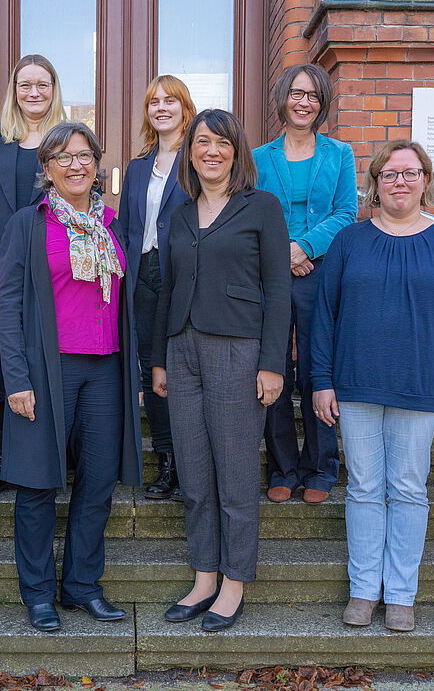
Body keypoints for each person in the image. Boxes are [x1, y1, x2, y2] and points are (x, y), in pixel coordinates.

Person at [310, 139, 434, 633]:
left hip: (420, 387)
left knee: (408, 489)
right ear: (374, 185)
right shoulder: (349, 242)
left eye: (409, 173)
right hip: (357, 385)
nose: (400, 182)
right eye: (389, 174)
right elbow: (324, 317)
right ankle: (364, 590)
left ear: (426, 180)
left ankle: (401, 593)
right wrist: (321, 380)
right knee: (364, 489)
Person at [0, 121, 142, 632]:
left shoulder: (113, 222)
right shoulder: (27, 224)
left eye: (84, 155)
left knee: (97, 483)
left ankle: (82, 586)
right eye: (63, 157)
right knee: (37, 484)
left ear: (96, 163)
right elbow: (9, 306)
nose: (75, 165)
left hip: (106, 369)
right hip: (46, 371)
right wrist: (15, 378)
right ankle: (38, 594)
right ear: (47, 169)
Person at [152, 109, 291, 633]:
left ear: (237, 151)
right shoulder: (181, 214)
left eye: (222, 143)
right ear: (189, 152)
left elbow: (278, 291)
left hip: (238, 350)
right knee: (193, 470)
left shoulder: (263, 208)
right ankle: (204, 576)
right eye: (201, 142)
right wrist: (159, 358)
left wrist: (272, 364)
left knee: (234, 472)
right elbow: (164, 287)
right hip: (182, 351)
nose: (211, 151)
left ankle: (234, 582)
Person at [253, 63, 357, 504]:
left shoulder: (340, 154)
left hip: (320, 276)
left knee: (319, 371)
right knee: (275, 368)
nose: (304, 102)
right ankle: (282, 466)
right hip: (271, 277)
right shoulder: (258, 158)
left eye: (314, 96)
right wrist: (284, 253)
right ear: (283, 97)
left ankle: (321, 467)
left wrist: (305, 248)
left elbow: (346, 212)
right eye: (298, 93)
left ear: (322, 105)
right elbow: (252, 215)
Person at [0, 54, 67, 499]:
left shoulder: (68, 141)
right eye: (25, 85)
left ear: (54, 89)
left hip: (52, 272)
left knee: (48, 363)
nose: (34, 93)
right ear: (14, 90)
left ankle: (53, 453)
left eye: (42, 85)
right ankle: (4, 458)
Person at [121, 75, 196, 500]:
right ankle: (167, 461)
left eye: (170, 100)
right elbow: (130, 228)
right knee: (154, 374)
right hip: (142, 277)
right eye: (154, 102)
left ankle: (192, 464)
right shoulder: (137, 167)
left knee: (182, 370)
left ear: (185, 107)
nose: (161, 108)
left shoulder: (199, 159)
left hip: (183, 276)